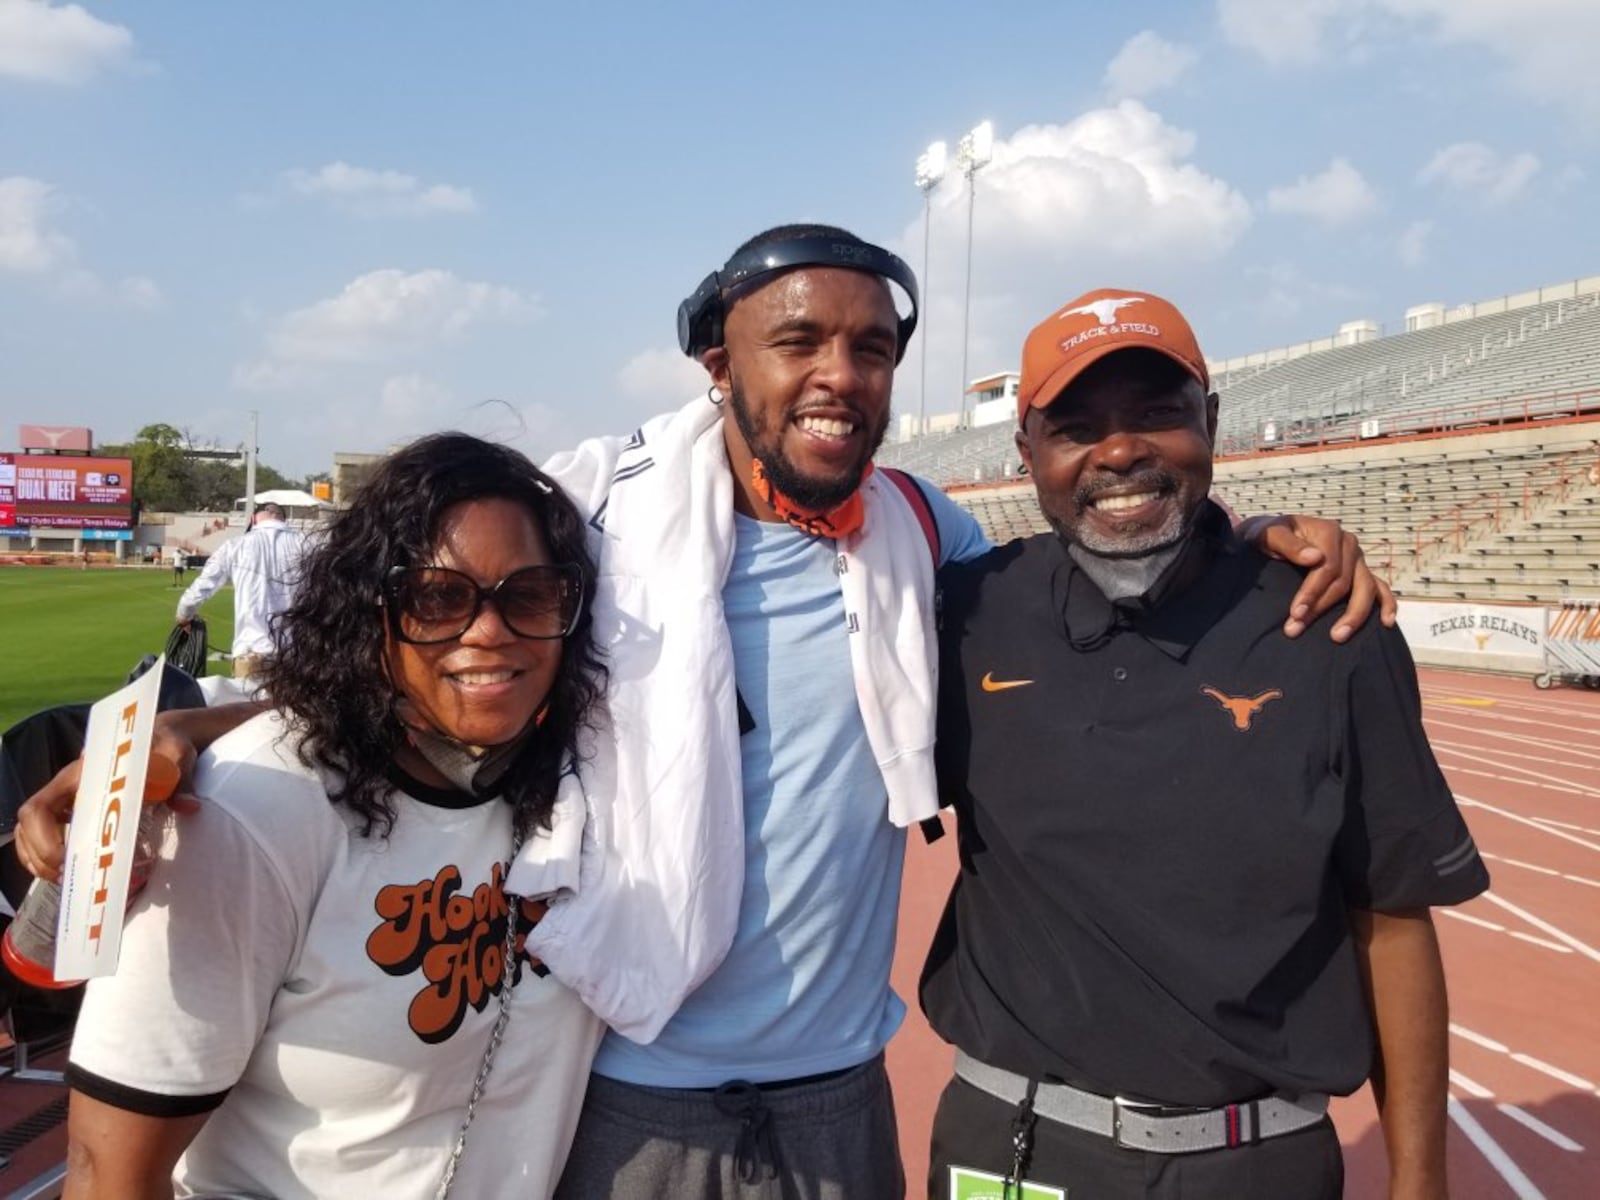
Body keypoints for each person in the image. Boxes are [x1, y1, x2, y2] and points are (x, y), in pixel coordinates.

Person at [21, 228, 1392, 1200]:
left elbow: (1101, 560)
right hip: (630, 1080)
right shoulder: (603, 519)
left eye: (870, 347)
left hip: (841, 1092)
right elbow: (430, 631)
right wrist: (206, 729)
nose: (837, 375)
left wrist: (1255, 527)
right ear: (714, 363)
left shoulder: (928, 536)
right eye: (796, 339)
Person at [921, 289, 1489, 1199]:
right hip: (1009, 1146)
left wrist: (1419, 1182)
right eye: (1075, 427)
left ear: (1211, 422)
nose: (1119, 450)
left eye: (1155, 413)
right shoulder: (964, 615)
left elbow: (1392, 915)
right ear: (1025, 454)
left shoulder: (1330, 626)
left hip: (1252, 1160)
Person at [62, 434, 611, 1198]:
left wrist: (191, 722)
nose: (488, 630)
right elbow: (107, 1173)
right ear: (370, 611)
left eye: (529, 594)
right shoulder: (251, 810)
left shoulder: (580, 773)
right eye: (437, 596)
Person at [175, 502, 305, 678]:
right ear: (284, 519)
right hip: (297, 654)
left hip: (251, 653)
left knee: (249, 704)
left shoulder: (235, 545)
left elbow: (202, 586)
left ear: (253, 519)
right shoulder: (308, 544)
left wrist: (184, 615)